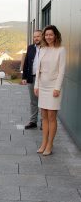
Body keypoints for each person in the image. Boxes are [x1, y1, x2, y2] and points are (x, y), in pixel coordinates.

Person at [34, 25, 66, 156]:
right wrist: (36, 85)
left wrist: (57, 88)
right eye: (46, 35)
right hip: (42, 86)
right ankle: (43, 143)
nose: (48, 37)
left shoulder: (61, 50)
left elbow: (62, 70)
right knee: (44, 117)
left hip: (54, 88)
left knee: (52, 117)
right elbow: (38, 70)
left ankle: (50, 144)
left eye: (51, 35)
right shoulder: (42, 49)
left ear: (55, 36)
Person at [22, 30, 42, 129]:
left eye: (38, 36)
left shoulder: (46, 48)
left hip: (43, 79)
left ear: (42, 37)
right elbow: (26, 63)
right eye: (34, 37)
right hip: (32, 78)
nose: (36, 38)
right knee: (33, 101)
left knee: (43, 101)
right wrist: (24, 77)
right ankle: (33, 121)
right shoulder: (30, 48)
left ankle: (44, 122)